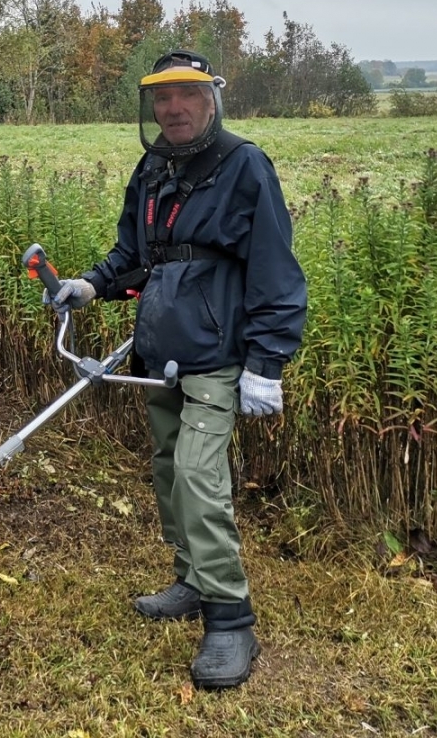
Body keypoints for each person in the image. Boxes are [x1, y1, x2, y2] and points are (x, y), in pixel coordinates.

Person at [49, 49, 306, 690]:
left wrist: (266, 363)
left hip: (221, 355)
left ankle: (229, 619)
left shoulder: (245, 166)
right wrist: (89, 286)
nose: (173, 108)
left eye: (186, 95)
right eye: (162, 98)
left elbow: (275, 269)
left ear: (211, 99)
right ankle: (192, 578)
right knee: (169, 469)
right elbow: (135, 255)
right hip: (161, 348)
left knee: (198, 474)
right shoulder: (153, 167)